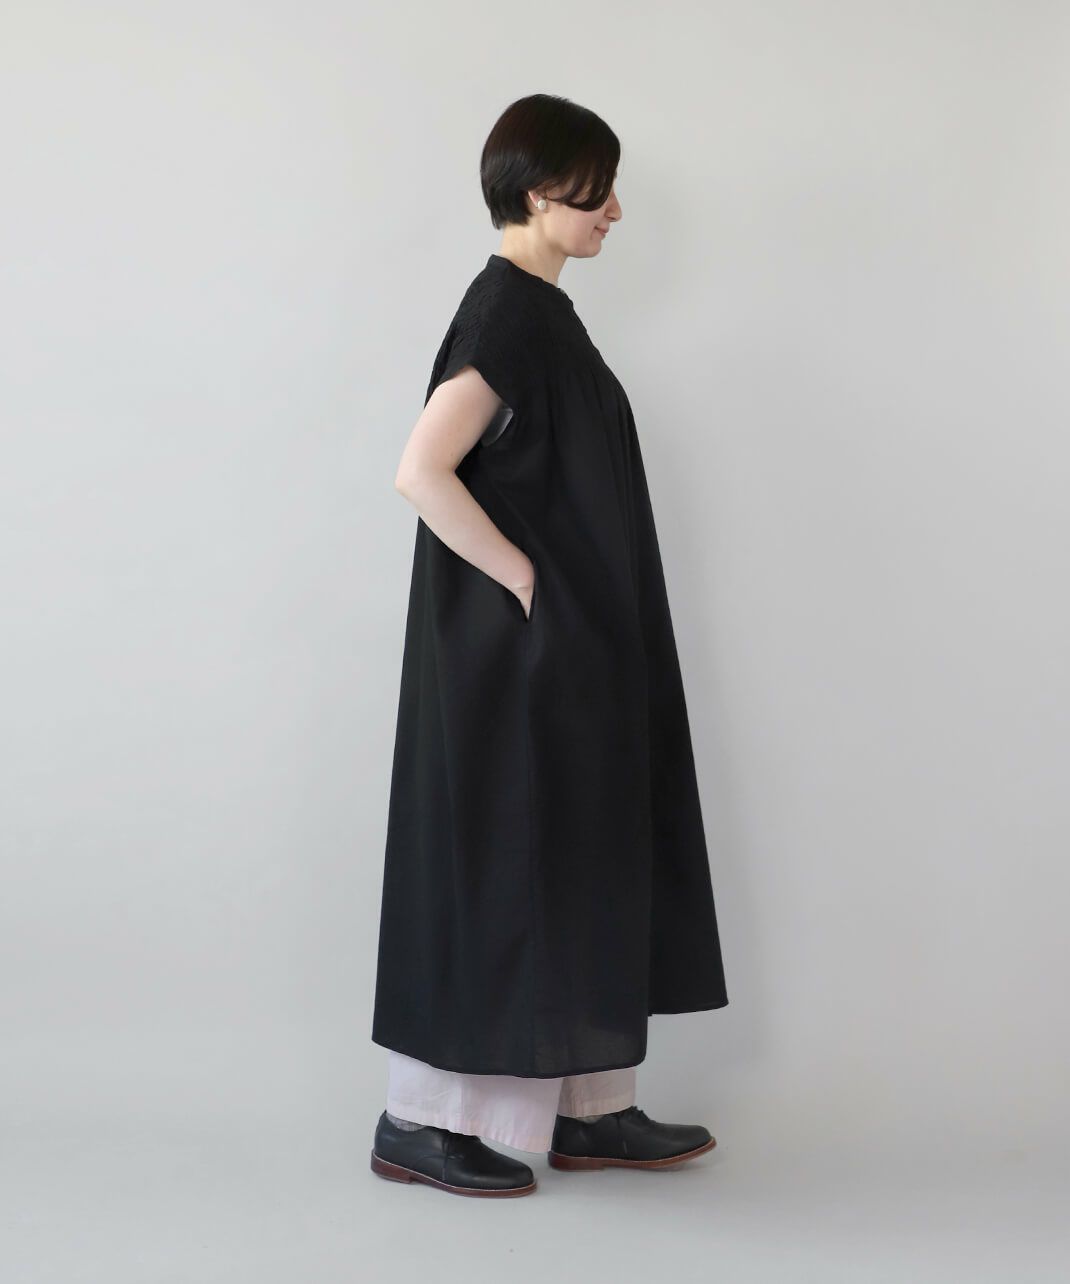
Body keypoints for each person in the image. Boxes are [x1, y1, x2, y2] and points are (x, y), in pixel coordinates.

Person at [370, 93, 729, 1198]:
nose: (614, 211)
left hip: (567, 656)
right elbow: (421, 469)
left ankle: (591, 1108)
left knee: (580, 853)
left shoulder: (541, 313)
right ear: (538, 192)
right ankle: (422, 1122)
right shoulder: (507, 317)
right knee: (503, 863)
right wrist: (524, 578)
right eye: (597, 191)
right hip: (515, 663)